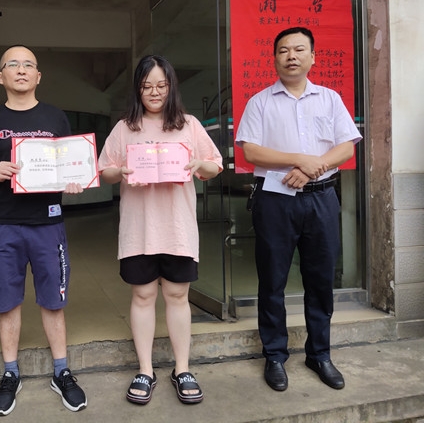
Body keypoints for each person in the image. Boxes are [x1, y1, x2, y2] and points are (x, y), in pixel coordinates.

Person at [235, 27, 362, 392]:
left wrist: (311, 169)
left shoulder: (330, 99)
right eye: (283, 50)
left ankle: (319, 354)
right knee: (272, 279)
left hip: (322, 198)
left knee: (320, 279)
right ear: (274, 58)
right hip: (275, 200)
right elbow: (251, 151)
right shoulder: (260, 102)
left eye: (299, 49)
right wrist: (299, 159)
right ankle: (275, 355)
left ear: (312, 57)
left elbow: (346, 147)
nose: (291, 55)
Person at [98, 55, 223, 405]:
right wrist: (121, 170)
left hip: (178, 229)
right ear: (138, 89)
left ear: (171, 87)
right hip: (138, 230)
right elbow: (104, 171)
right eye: (147, 86)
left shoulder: (189, 125)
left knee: (178, 296)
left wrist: (200, 164)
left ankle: (182, 369)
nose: (154, 92)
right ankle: (145, 370)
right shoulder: (125, 128)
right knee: (142, 296)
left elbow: (215, 165)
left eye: (161, 85)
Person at [0, 45, 87, 416]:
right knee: (7, 301)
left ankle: (61, 370)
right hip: (4, 223)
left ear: (38, 76)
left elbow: (70, 163)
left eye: (28, 65)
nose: (21, 70)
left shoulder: (56, 117)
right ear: (0, 76)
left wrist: (75, 180)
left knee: (53, 299)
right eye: (12, 64)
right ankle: (10, 373)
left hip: (48, 223)